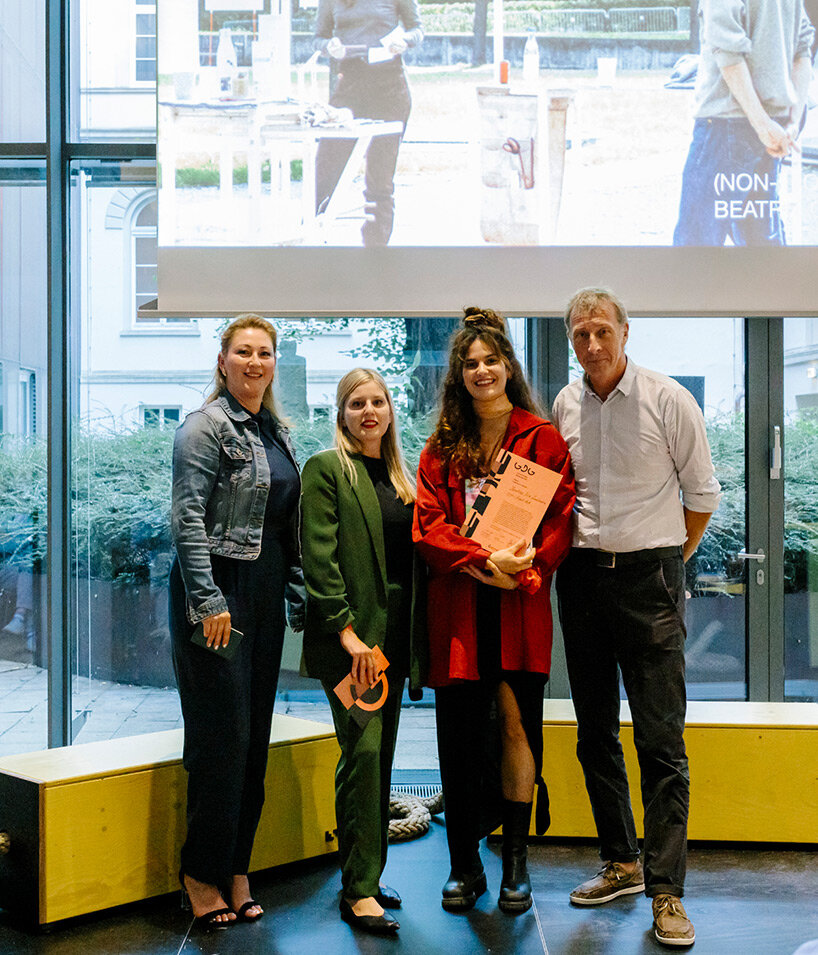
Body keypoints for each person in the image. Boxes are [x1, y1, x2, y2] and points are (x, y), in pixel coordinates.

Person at [552, 288, 722, 948]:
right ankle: (621, 861)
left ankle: (667, 891)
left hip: (650, 574)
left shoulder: (667, 398)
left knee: (660, 740)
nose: (591, 344)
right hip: (583, 578)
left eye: (601, 330)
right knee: (593, 732)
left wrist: (669, 559)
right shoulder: (566, 404)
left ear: (625, 331)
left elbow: (702, 495)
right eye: (579, 334)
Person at [413, 308, 575, 915]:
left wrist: (523, 568)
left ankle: (515, 859)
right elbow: (428, 527)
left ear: (509, 366)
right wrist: (482, 560)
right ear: (459, 375)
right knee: (456, 739)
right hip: (458, 602)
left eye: (492, 360)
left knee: (516, 729)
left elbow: (561, 518)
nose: (482, 371)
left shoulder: (543, 439)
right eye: (470, 363)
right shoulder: (440, 447)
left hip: (516, 604)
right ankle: (464, 864)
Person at [169, 314, 303, 929]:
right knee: (220, 740)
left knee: (252, 741)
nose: (255, 362)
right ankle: (199, 873)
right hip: (218, 594)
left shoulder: (274, 430)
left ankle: (236, 867)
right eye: (243, 352)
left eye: (265, 353)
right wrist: (208, 600)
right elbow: (187, 519)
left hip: (266, 592)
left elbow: (285, 525)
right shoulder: (205, 426)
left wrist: (298, 593)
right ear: (222, 361)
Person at [301, 368, 424, 936]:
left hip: (394, 638)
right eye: (357, 403)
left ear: (391, 411)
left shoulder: (402, 477)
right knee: (365, 754)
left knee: (376, 756)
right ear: (342, 413)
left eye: (378, 401)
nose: (369, 411)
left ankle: (365, 876)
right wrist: (348, 636)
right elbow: (319, 560)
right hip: (353, 642)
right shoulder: (328, 469)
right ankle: (357, 891)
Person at [673, 0, 815, 246]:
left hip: (726, 123)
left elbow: (728, 54)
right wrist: (792, 122)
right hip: (775, 126)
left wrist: (762, 126)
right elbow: (803, 51)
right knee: (760, 241)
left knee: (695, 244)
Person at [314, 0, 423, 246]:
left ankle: (376, 250)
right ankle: (312, 238)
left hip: (390, 85)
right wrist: (328, 47)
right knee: (327, 164)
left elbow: (417, 29)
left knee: (380, 177)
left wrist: (404, 41)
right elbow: (318, 37)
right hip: (350, 82)